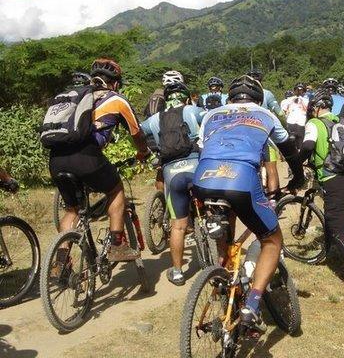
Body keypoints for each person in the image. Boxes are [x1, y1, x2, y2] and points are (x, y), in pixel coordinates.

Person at [192, 75, 304, 333]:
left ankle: (222, 278)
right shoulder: (265, 114)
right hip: (241, 180)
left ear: (229, 97)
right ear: (259, 98)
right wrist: (298, 176)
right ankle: (252, 304)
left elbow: (200, 147)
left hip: (204, 178)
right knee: (272, 240)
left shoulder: (211, 115)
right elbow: (288, 149)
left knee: (225, 230)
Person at [49, 58, 150, 262]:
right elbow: (136, 133)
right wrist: (143, 152)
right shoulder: (116, 99)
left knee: (72, 210)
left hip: (56, 158)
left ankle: (59, 263)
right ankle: (117, 245)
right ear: (115, 83)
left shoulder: (75, 99)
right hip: (86, 157)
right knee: (116, 190)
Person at [299, 89, 344, 296]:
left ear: (315, 108)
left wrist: (299, 159)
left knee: (337, 231)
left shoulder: (314, 124)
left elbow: (308, 146)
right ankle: (337, 251)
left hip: (332, 180)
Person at [141, 81, 203, 286]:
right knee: (211, 211)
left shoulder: (155, 118)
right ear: (186, 98)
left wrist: (150, 151)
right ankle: (217, 256)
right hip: (196, 168)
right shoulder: (192, 109)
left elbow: (139, 132)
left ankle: (177, 272)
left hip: (171, 172)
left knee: (178, 226)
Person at [280, 82, 309, 149]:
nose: (299, 91)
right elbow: (283, 112)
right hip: (291, 123)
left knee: (298, 145)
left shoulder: (306, 101)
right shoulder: (288, 100)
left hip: (300, 124)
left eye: (301, 90)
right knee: (292, 144)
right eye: (298, 90)